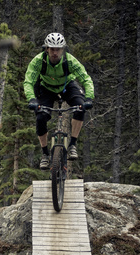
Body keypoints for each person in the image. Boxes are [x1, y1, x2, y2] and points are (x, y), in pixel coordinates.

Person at [24, 32, 94, 170]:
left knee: (80, 107)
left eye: (58, 49)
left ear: (63, 49)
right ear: (47, 49)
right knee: (40, 117)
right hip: (46, 88)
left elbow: (86, 78)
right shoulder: (38, 61)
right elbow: (28, 81)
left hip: (66, 86)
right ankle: (45, 154)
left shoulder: (70, 61)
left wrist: (89, 98)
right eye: (52, 49)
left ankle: (72, 144)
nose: (55, 52)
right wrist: (32, 99)